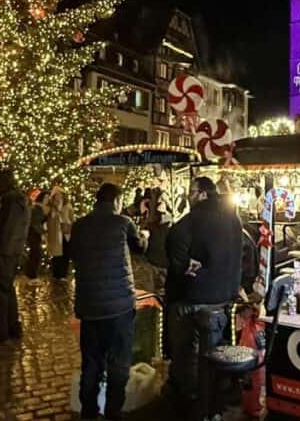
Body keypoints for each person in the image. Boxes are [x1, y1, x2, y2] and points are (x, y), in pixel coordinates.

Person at [165, 176, 244, 419]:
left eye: (191, 192)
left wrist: (183, 268)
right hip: (225, 297)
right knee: (214, 349)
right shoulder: (233, 217)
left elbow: (172, 245)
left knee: (184, 347)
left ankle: (189, 395)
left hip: (197, 298)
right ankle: (214, 397)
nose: (188, 196)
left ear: (202, 194)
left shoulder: (191, 221)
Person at [70, 183, 148, 420]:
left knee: (91, 362)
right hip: (119, 306)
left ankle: (89, 411)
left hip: (90, 304)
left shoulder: (80, 225)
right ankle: (113, 411)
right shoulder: (123, 223)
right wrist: (145, 237)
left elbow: (74, 255)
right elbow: (140, 249)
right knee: (118, 362)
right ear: (116, 200)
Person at [0, 168, 31, 347]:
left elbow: (8, 229)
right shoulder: (17, 200)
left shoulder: (11, 200)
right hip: (10, 252)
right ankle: (12, 327)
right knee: (6, 290)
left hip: (4, 254)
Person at [46, 185, 75, 280]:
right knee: (56, 255)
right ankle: (57, 274)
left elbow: (71, 218)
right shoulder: (50, 207)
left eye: (60, 195)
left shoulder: (67, 205)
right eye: (56, 195)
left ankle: (63, 273)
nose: (58, 197)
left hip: (66, 232)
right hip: (55, 233)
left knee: (66, 253)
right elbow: (48, 218)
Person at [24, 190, 47, 281]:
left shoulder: (40, 208)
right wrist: (43, 231)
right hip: (34, 233)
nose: (47, 200)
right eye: (46, 198)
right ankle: (31, 275)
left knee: (35, 253)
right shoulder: (37, 208)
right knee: (36, 253)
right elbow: (36, 223)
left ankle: (31, 274)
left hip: (34, 233)